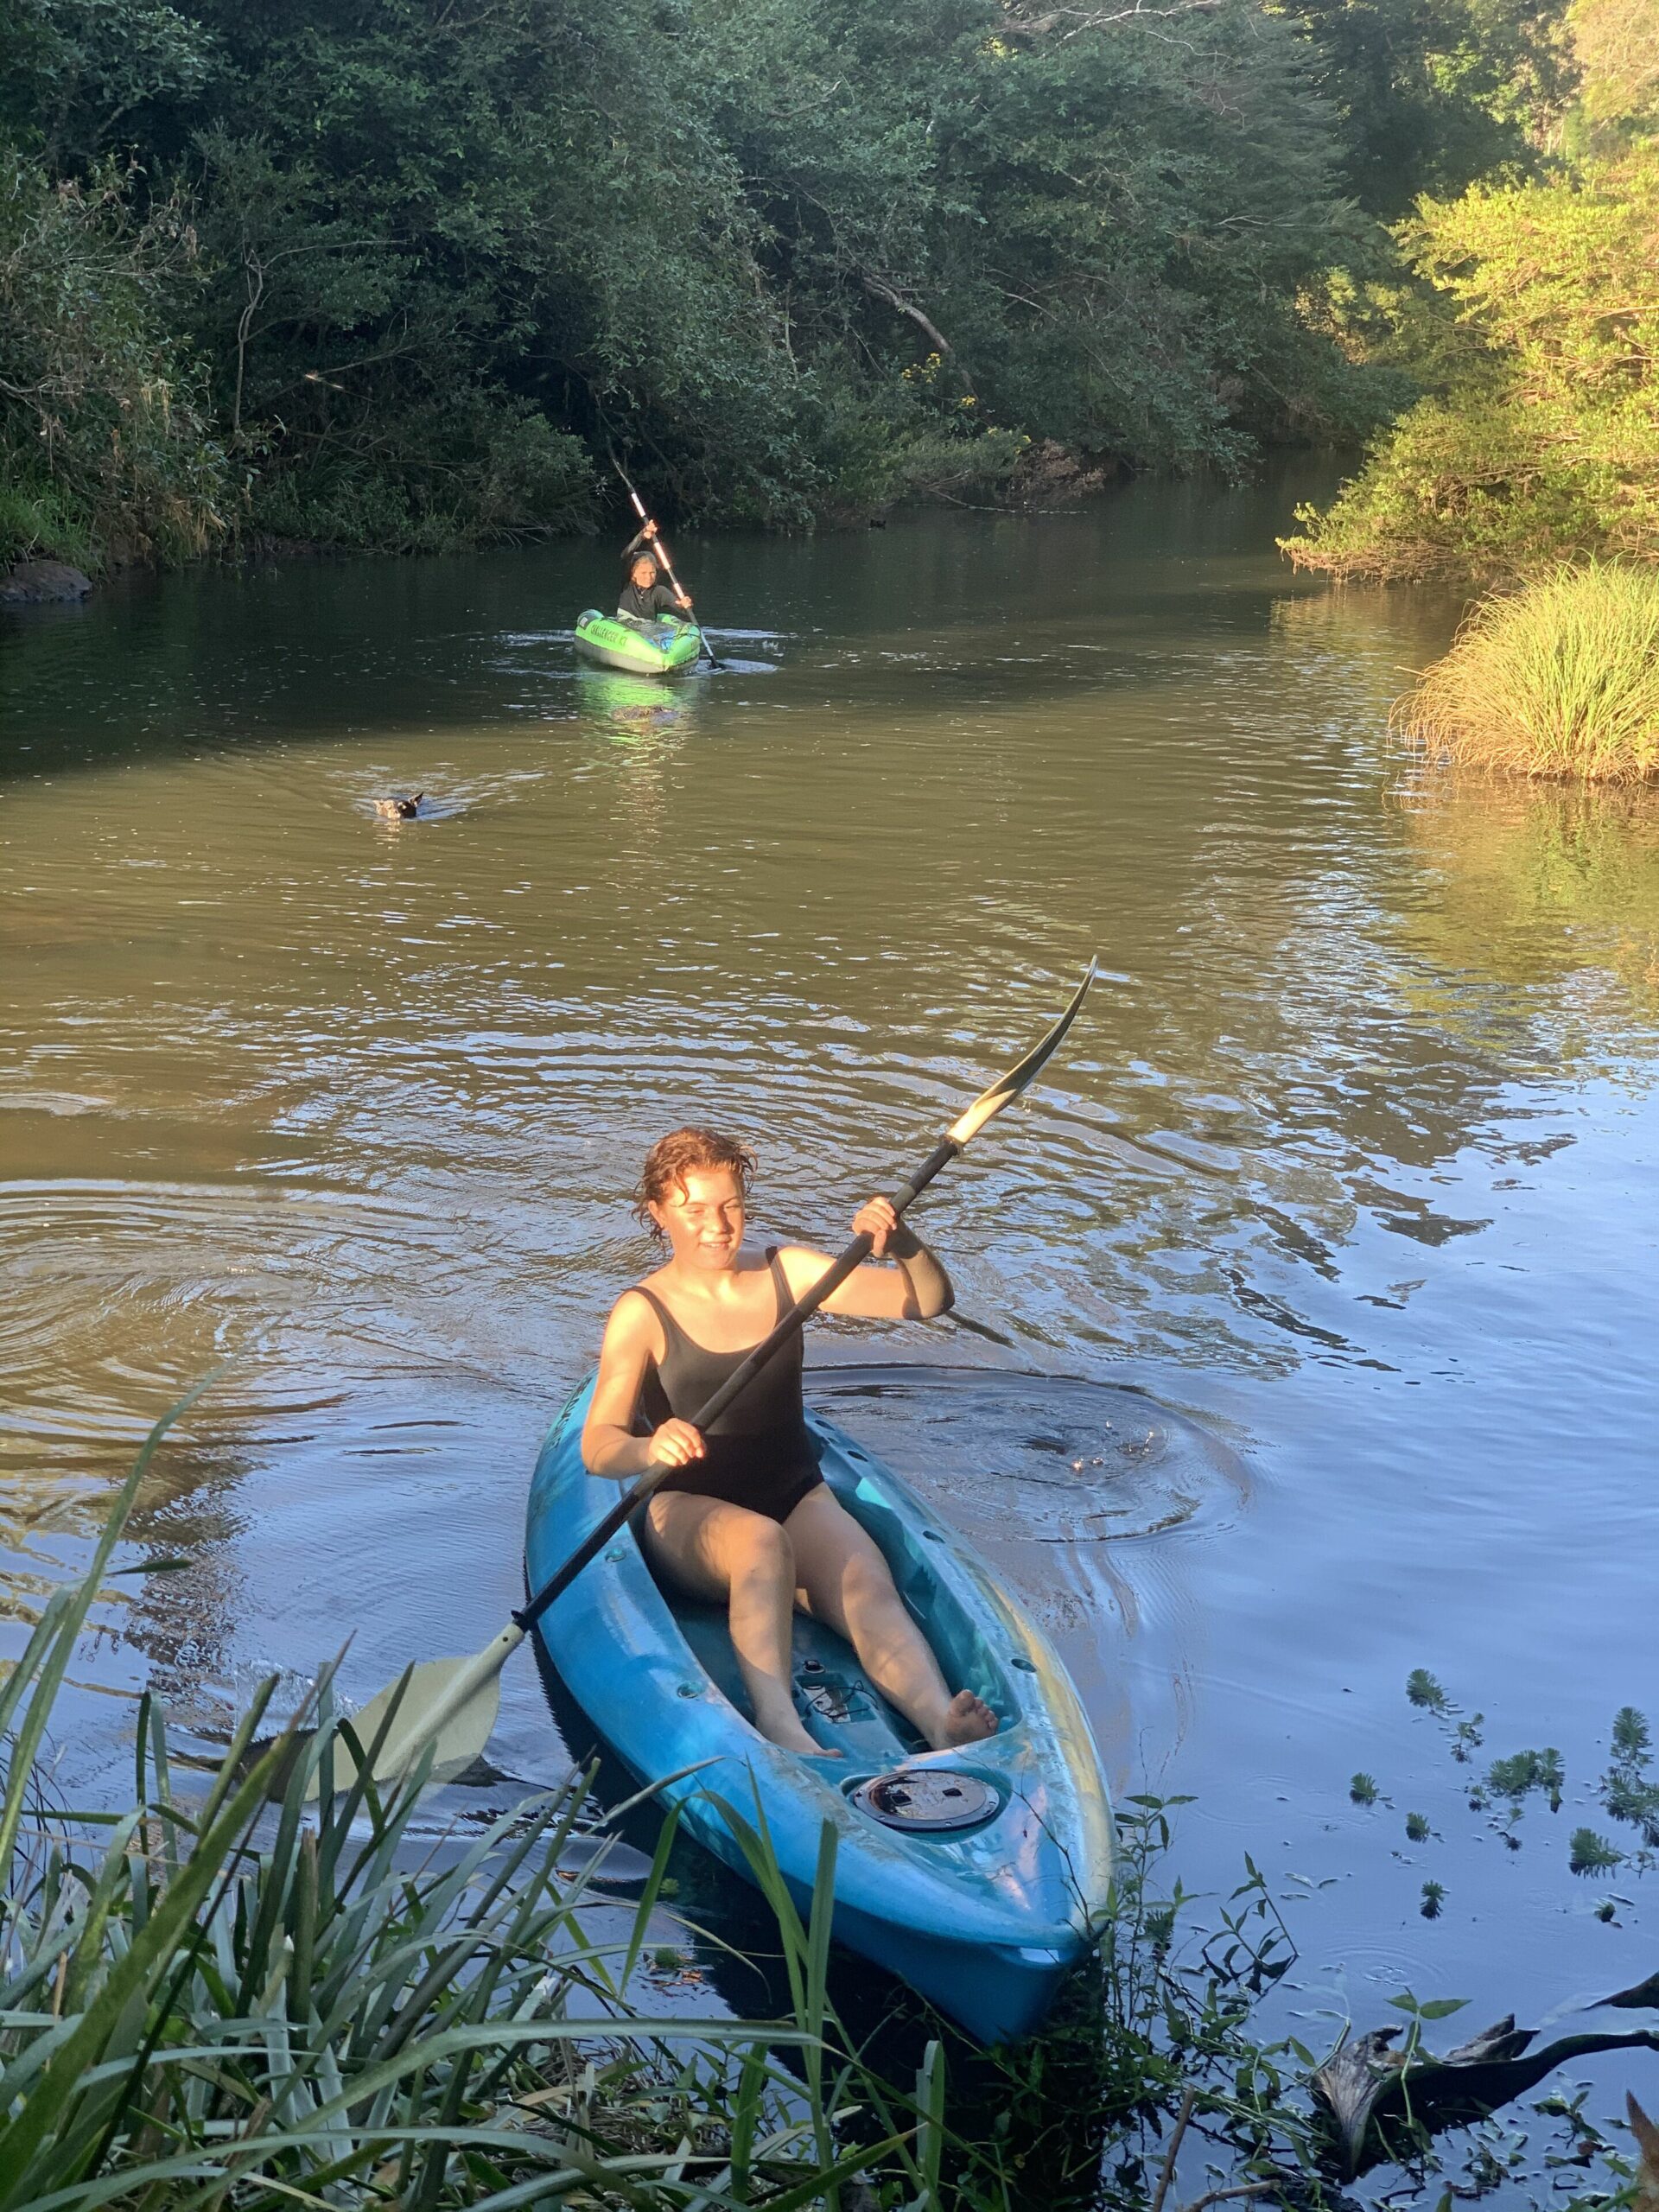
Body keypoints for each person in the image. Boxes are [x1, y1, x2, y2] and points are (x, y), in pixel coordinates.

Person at [582, 1128, 999, 1758]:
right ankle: (780, 1723)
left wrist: (904, 1243)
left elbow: (929, 1300)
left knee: (865, 1583)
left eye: (731, 1206)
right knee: (760, 1544)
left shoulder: (789, 1273)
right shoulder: (642, 1311)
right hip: (686, 1512)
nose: (717, 1226)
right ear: (659, 1212)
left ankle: (940, 1722)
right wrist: (651, 1447)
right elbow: (599, 1445)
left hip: (793, 1493)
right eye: (695, 1210)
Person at [617, 518, 692, 624]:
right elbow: (626, 554)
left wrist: (684, 604)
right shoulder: (627, 585)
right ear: (633, 573)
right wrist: (642, 534)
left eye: (652, 572)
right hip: (624, 627)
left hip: (648, 631)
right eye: (643, 573)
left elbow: (678, 605)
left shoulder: (659, 592)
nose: (648, 577)